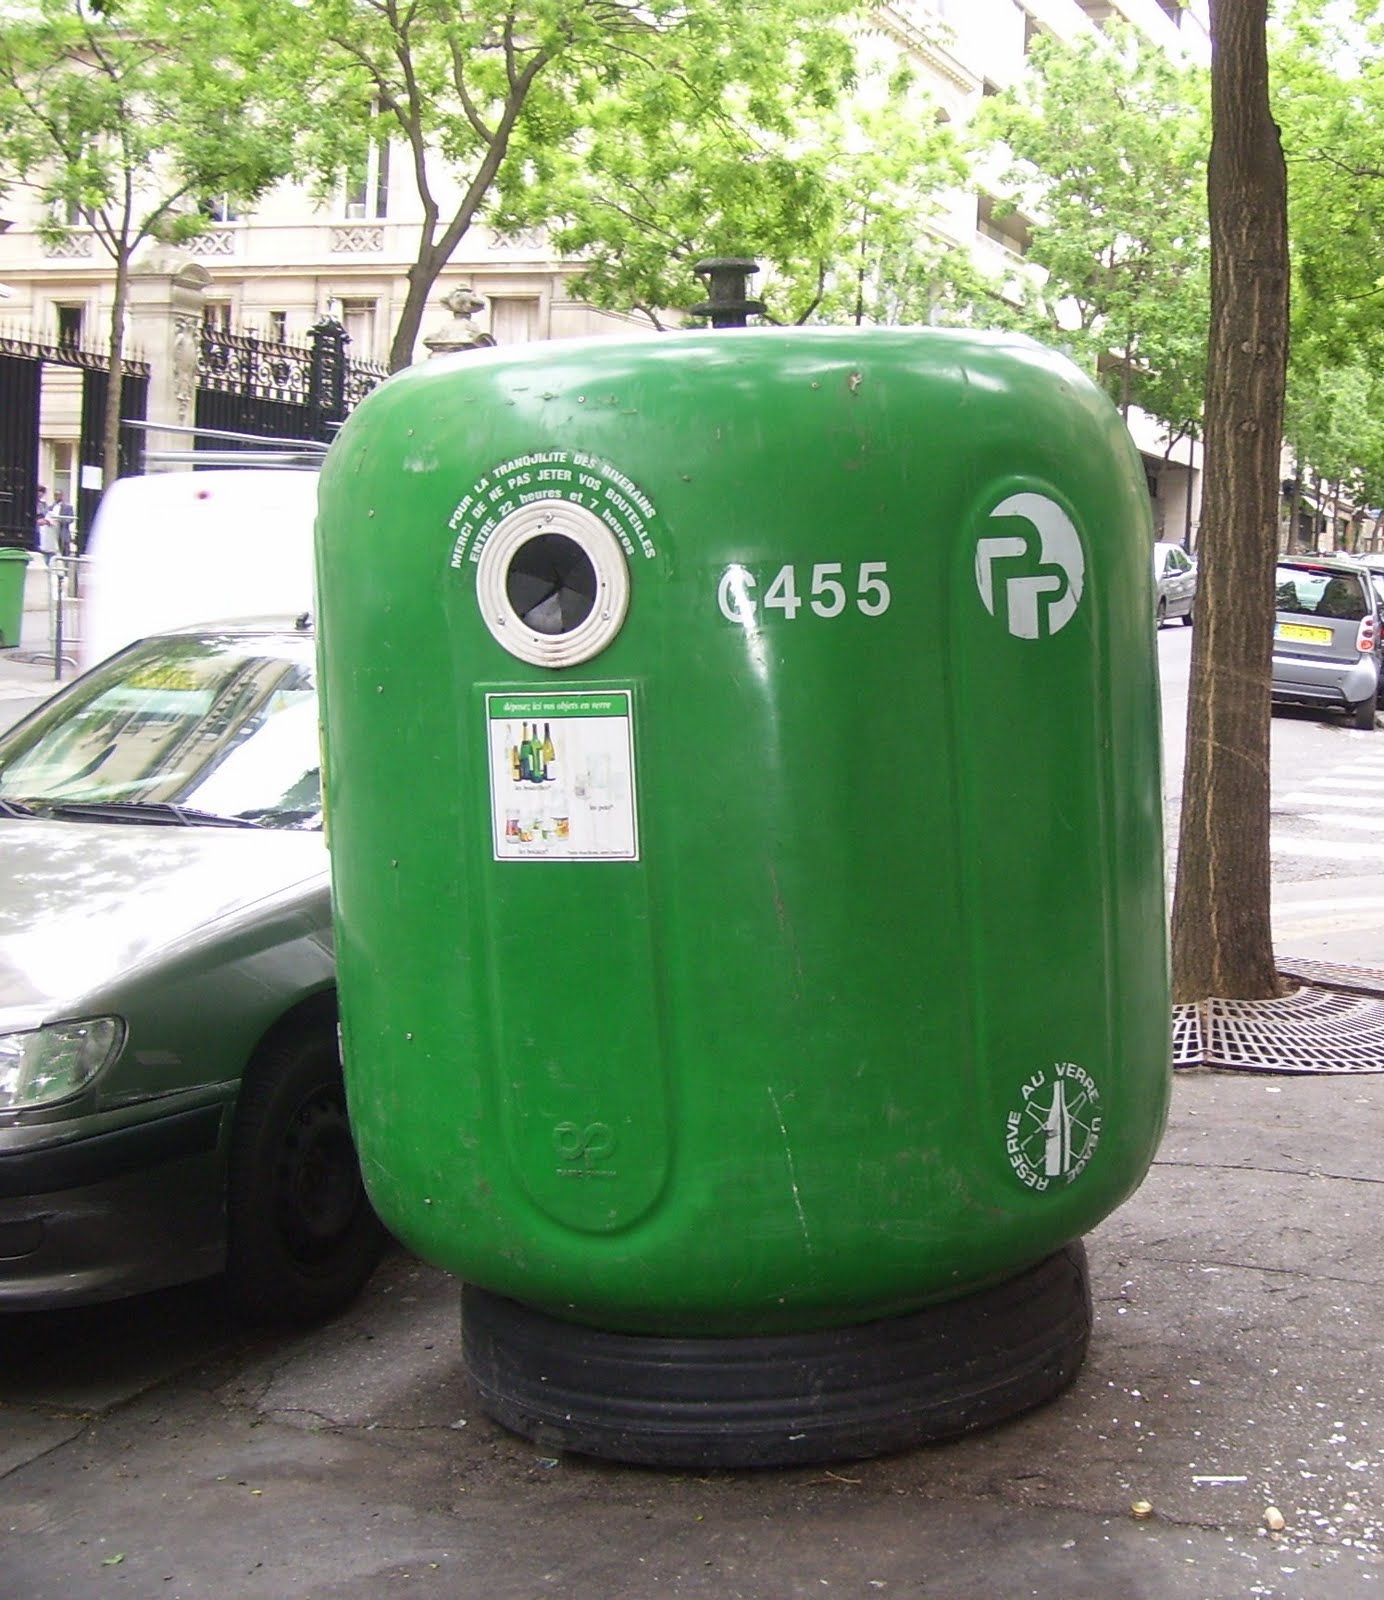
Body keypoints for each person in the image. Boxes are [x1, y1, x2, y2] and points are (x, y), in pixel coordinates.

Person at [35, 486, 59, 563]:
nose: (40, 493)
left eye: (42, 492)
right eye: (39, 491)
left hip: (43, 530)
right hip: (36, 529)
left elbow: (46, 514)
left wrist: (47, 521)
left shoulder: (43, 504)